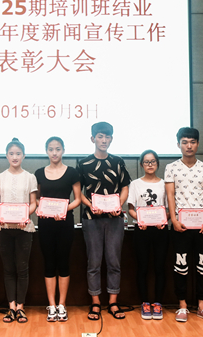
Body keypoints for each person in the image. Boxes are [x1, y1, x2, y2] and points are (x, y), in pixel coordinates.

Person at [77, 122, 130, 321]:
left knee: (114, 261)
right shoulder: (83, 163)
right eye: (100, 136)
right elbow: (78, 192)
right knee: (94, 262)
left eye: (107, 137)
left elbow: (125, 187)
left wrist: (119, 204)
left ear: (111, 139)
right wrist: (90, 205)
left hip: (115, 218)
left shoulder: (118, 161)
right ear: (93, 139)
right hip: (92, 219)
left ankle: (113, 302)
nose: (104, 140)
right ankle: (96, 302)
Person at [165, 127, 203, 323]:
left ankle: (202, 306)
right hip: (181, 225)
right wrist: (174, 219)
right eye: (185, 142)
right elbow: (170, 195)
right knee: (181, 266)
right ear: (178, 144)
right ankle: (182, 306)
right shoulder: (171, 167)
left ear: (198, 144)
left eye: (193, 142)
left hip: (202, 225)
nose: (189, 146)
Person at [34, 136, 81, 322]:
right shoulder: (39, 173)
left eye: (58, 149)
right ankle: (51, 305)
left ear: (63, 150)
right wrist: (43, 208)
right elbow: (36, 198)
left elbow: (77, 199)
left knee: (63, 262)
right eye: (51, 149)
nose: (54, 153)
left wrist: (62, 210)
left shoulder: (72, 173)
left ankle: (62, 305)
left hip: (65, 223)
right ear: (46, 151)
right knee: (49, 263)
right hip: (45, 223)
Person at [0, 138, 38, 324]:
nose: (15, 157)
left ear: (24, 156)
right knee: (8, 269)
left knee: (22, 269)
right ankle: (11, 307)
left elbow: (33, 203)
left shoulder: (30, 177)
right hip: (4, 228)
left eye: (18, 153)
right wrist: (1, 214)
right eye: (11, 153)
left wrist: (24, 216)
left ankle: (21, 307)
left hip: (24, 228)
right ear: (6, 155)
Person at [127, 150, 169, 321]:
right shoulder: (135, 184)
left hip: (160, 229)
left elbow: (169, 208)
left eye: (153, 161)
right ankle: (144, 302)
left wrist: (164, 219)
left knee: (160, 267)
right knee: (142, 267)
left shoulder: (165, 184)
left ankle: (158, 303)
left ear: (157, 163)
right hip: (142, 229)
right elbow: (130, 209)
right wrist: (140, 219)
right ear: (141, 165)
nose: (150, 164)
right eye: (146, 162)